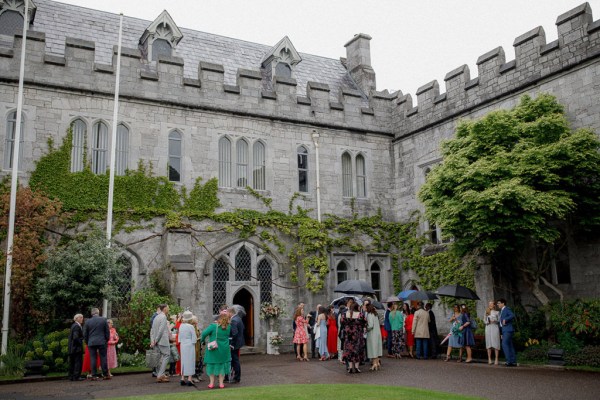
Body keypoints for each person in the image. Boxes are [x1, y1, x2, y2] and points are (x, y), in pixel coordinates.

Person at [201, 310, 232, 389]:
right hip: (224, 348)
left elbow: (204, 333)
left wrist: (202, 340)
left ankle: (211, 383)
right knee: (222, 365)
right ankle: (221, 383)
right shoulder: (228, 327)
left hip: (214, 348)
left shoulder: (213, 326)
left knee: (211, 365)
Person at [83, 308, 110, 380]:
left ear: (92, 313)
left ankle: (94, 375)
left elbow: (85, 333)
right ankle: (105, 374)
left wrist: (87, 341)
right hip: (102, 341)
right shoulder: (103, 320)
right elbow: (107, 332)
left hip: (91, 342)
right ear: (98, 312)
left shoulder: (88, 321)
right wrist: (106, 340)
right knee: (103, 358)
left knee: (93, 358)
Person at [341, 302, 366, 373]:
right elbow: (365, 322)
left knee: (349, 351)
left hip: (348, 335)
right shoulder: (360, 315)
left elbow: (342, 322)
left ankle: (350, 367)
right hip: (357, 335)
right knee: (357, 350)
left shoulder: (345, 314)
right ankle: (357, 368)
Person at [150, 304, 171, 383]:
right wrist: (156, 340)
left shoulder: (156, 317)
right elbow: (161, 330)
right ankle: (160, 375)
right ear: (165, 309)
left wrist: (153, 340)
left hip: (157, 341)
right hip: (162, 340)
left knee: (158, 358)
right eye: (168, 308)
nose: (168, 309)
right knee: (167, 355)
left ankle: (160, 374)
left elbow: (152, 330)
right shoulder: (163, 317)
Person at [178, 310, 197, 386]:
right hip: (189, 344)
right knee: (190, 360)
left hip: (183, 344)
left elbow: (179, 337)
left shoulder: (181, 326)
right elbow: (194, 337)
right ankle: (189, 379)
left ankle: (182, 378)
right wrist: (194, 342)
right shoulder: (191, 326)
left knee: (183, 361)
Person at [498, 298, 517, 367]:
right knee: (510, 345)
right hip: (504, 330)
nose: (498, 304)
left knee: (504, 344)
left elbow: (512, 315)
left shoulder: (506, 309)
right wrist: (501, 333)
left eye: (499, 303)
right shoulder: (501, 311)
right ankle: (513, 361)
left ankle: (509, 361)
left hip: (507, 330)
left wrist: (505, 319)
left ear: (503, 303)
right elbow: (500, 323)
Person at [229, 306, 245, 383]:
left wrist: (231, 344)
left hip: (235, 344)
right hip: (239, 342)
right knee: (236, 360)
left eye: (228, 313)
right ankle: (236, 376)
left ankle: (237, 377)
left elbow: (234, 333)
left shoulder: (234, 320)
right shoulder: (238, 318)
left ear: (230, 312)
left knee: (235, 360)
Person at [365, 303, 382, 371]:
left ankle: (374, 364)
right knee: (377, 349)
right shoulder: (375, 314)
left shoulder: (369, 315)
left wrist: (366, 327)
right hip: (377, 333)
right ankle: (377, 363)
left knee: (373, 349)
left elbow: (370, 325)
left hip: (372, 334)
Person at [68, 313, 85, 381]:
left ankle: (71, 376)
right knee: (78, 362)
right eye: (80, 318)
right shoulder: (76, 326)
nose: (82, 319)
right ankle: (76, 376)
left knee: (72, 362)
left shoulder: (73, 326)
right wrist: (81, 340)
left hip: (72, 347)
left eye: (82, 317)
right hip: (76, 348)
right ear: (76, 319)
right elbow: (76, 338)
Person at [485, 300, 501, 365]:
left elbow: (499, 320)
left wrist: (494, 320)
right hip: (488, 327)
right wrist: (487, 321)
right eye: (489, 304)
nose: (490, 305)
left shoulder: (497, 312)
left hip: (495, 327)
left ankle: (496, 359)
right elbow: (484, 320)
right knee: (488, 343)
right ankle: (489, 359)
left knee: (496, 343)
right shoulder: (486, 312)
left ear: (494, 305)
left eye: (491, 304)